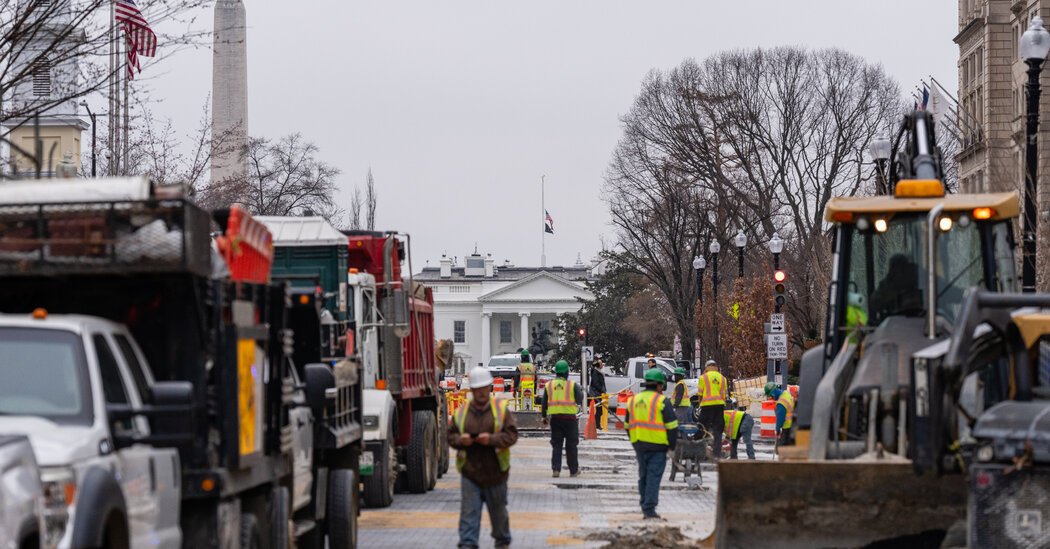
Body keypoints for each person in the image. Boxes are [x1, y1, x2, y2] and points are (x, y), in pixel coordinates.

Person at [449, 367, 519, 549]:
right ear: (471, 390)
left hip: (496, 473)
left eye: (483, 388)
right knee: (468, 516)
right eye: (477, 389)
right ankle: (467, 544)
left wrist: (491, 440)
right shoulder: (461, 412)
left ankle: (502, 542)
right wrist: (461, 440)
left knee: (498, 515)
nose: (480, 392)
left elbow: (511, 435)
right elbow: (450, 436)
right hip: (470, 473)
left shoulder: (501, 410)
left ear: (489, 388)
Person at [625, 368, 678, 520]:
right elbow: (672, 426)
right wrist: (672, 447)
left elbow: (628, 425)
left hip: (640, 445)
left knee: (643, 476)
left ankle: (644, 504)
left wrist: (634, 441)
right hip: (658, 447)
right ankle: (649, 508)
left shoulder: (633, 400)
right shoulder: (662, 401)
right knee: (653, 477)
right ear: (660, 386)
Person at [541, 359, 584, 477]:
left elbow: (544, 403)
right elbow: (580, 398)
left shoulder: (549, 385)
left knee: (556, 445)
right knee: (571, 446)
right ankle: (573, 470)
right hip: (570, 420)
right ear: (567, 372)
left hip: (555, 419)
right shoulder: (572, 385)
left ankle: (556, 469)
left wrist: (544, 416)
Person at [698, 359, 728, 458]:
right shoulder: (723, 378)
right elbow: (724, 395)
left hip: (706, 406)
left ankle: (702, 451)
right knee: (718, 429)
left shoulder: (703, 377)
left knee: (702, 427)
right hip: (719, 406)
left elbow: (700, 394)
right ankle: (716, 453)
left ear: (706, 367)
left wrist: (700, 404)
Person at [765, 382, 795, 447]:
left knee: (783, 449)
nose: (771, 397)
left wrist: (777, 429)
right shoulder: (786, 393)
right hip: (792, 424)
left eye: (771, 395)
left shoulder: (781, 403)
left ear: (773, 393)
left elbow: (780, 419)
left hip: (786, 428)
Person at [588, 358, 608, 426]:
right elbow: (596, 384)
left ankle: (596, 424)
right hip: (596, 394)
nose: (602, 364)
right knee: (599, 410)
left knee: (599, 410)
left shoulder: (598, 372)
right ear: (598, 365)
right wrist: (602, 390)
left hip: (598, 393)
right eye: (601, 363)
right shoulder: (596, 373)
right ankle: (596, 424)